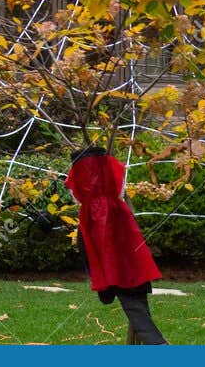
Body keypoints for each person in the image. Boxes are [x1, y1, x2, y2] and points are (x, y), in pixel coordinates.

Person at [66, 145, 167, 344]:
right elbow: (119, 190)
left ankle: (156, 344)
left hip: (104, 236)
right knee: (131, 285)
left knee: (126, 287)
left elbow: (76, 197)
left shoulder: (90, 208)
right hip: (124, 230)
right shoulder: (113, 182)